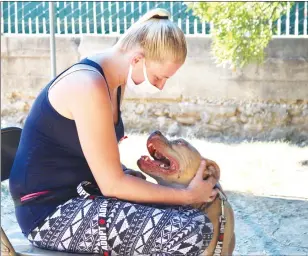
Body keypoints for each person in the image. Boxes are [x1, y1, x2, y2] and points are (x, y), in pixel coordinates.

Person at [9, 8, 218, 256]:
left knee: (192, 215)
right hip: (49, 213)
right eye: (158, 77)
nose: (161, 86)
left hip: (81, 197)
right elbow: (112, 185)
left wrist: (134, 177)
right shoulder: (88, 85)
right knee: (192, 229)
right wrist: (187, 195)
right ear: (137, 59)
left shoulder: (111, 82)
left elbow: (95, 161)